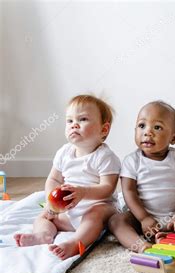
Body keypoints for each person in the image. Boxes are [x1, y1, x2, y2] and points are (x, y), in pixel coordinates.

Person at [14, 95, 121, 260]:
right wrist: (52, 201)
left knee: (96, 214)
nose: (74, 125)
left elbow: (108, 188)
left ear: (103, 130)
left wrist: (83, 193)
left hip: (98, 207)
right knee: (44, 216)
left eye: (83, 119)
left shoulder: (105, 156)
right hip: (68, 210)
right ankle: (43, 235)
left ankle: (76, 243)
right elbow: (54, 180)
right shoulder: (64, 152)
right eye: (69, 121)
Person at [109, 100, 175, 252]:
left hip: (173, 218)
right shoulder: (131, 160)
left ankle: (167, 236)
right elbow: (129, 191)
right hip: (142, 219)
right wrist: (144, 218)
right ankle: (141, 246)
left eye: (157, 127)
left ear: (173, 138)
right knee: (116, 221)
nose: (147, 132)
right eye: (142, 126)